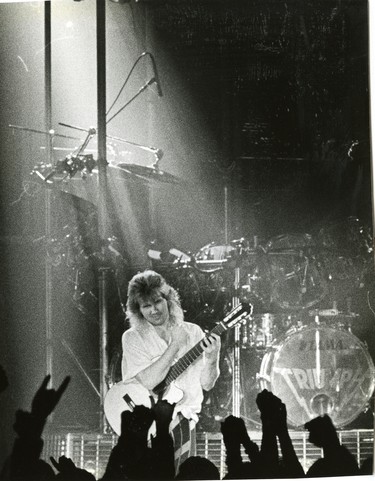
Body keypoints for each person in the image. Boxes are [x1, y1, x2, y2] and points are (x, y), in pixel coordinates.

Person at [121, 269, 221, 473]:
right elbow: (148, 383)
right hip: (147, 424)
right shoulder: (132, 338)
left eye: (158, 302)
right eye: (146, 306)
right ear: (138, 310)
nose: (154, 310)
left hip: (184, 420)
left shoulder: (193, 332)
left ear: (169, 300)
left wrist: (212, 358)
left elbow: (207, 384)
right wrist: (175, 345)